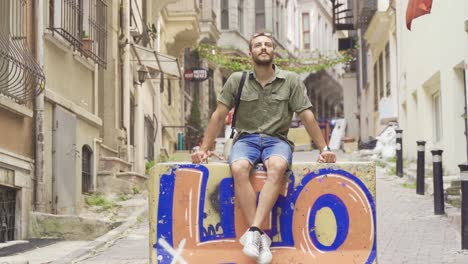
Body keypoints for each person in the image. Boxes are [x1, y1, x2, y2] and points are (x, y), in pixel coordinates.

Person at [191, 32, 336, 264]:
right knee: (238, 168)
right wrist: (203, 148)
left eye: (268, 44)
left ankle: (254, 233)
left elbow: (307, 116)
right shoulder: (237, 80)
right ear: (251, 54)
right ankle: (260, 238)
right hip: (245, 140)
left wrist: (324, 148)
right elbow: (218, 116)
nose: (264, 48)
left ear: (273, 51)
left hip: (277, 140)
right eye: (258, 45)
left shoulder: (291, 80)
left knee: (278, 167)